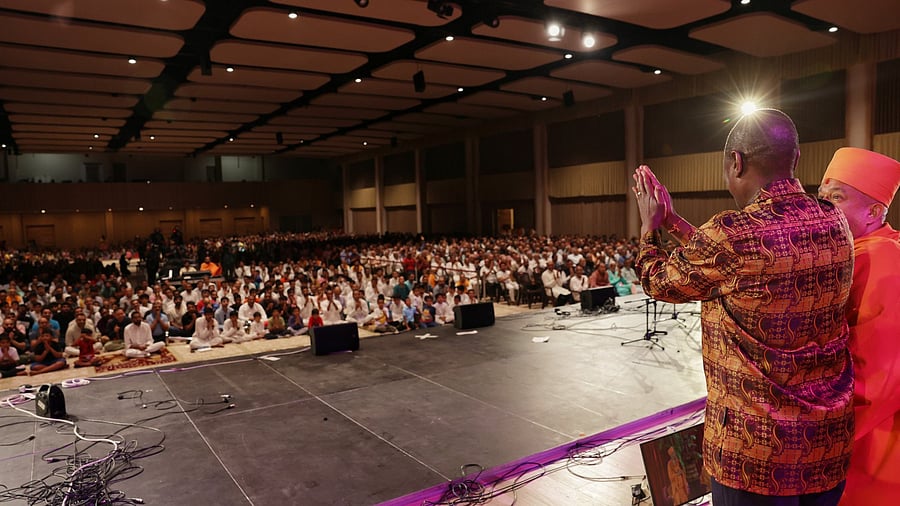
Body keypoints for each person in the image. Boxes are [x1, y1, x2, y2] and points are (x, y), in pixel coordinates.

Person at [632, 109, 853, 503]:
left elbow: (659, 280)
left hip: (757, 457)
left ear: (736, 161)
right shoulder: (833, 219)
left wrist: (650, 228)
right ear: (796, 159)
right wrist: (674, 221)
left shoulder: (733, 234)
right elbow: (738, 265)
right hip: (825, 446)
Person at [817, 147, 900, 503]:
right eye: (821, 196)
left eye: (836, 197)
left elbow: (879, 378)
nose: (823, 207)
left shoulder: (880, 257)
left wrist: (819, 441)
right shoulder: (856, 251)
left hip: (869, 449)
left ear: (873, 211)